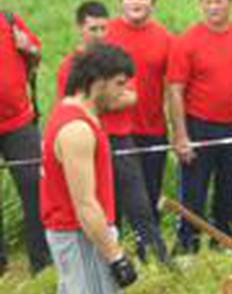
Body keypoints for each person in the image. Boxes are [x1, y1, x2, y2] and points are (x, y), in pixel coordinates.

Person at [41, 42, 142, 294]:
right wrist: (115, 255)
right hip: (81, 237)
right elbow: (86, 206)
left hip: (69, 235)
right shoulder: (76, 130)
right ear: (96, 81)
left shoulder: (73, 115)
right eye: (118, 83)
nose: (123, 92)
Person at [57, 1, 169, 264]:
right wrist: (105, 101)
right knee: (101, 205)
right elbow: (65, 106)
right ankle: (109, 258)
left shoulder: (116, 59)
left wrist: (93, 102)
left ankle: (157, 259)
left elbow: (131, 97)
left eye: (104, 29)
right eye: (93, 29)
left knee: (139, 204)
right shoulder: (69, 65)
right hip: (85, 141)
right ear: (80, 29)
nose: (99, 35)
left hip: (120, 138)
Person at [168, 0, 232, 253]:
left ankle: (223, 243)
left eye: (219, 1)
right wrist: (180, 135)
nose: (214, 7)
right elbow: (175, 91)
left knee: (230, 189)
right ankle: (186, 247)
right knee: (193, 192)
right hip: (198, 126)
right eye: (207, 2)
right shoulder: (187, 41)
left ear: (230, 4)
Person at [107, 0, 172, 218]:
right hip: (112, 131)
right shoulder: (105, 34)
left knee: (149, 197)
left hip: (152, 130)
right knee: (111, 199)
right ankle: (113, 250)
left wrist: (178, 129)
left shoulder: (165, 38)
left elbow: (174, 88)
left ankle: (149, 247)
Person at [0, 9, 51, 275]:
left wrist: (27, 46)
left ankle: (42, 263)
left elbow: (36, 54)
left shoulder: (9, 20)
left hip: (19, 122)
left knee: (35, 190)